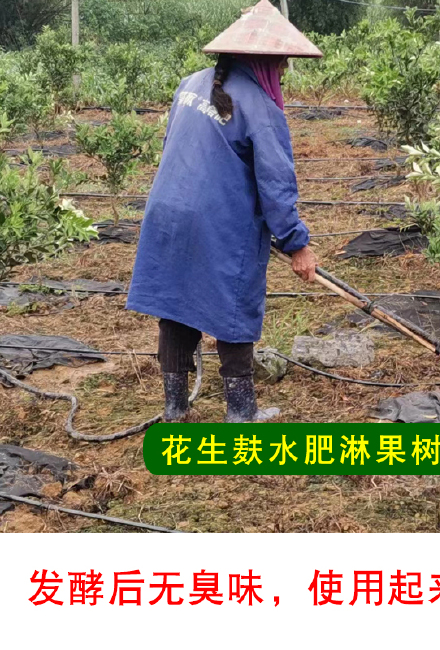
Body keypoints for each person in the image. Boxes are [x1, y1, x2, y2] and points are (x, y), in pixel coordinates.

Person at [126, 0, 322, 422]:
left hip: (167, 210)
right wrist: (296, 243)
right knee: (234, 305)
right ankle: (240, 413)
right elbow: (276, 184)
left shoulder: (188, 85)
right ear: (263, 61)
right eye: (283, 63)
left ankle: (175, 408)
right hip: (217, 222)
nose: (284, 71)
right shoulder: (260, 106)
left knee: (176, 303)